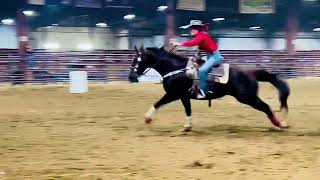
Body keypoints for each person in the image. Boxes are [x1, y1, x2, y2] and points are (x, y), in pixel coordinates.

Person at [170, 20, 224, 99]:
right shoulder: (201, 36)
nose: (190, 30)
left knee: (202, 71)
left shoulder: (201, 36)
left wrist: (179, 44)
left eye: (192, 29)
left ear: (196, 29)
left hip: (214, 57)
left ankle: (204, 92)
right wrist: (195, 57)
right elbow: (199, 50)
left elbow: (193, 43)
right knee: (199, 70)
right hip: (210, 56)